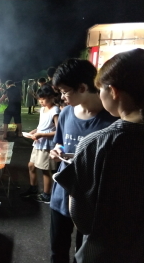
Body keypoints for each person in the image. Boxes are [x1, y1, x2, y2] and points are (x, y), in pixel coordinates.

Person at [54, 49, 144, 263]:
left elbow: (82, 221)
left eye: (100, 88)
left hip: (104, 247)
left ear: (112, 91)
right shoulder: (69, 114)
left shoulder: (98, 142)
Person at [48, 58, 118, 263]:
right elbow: (59, 143)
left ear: (83, 87)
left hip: (91, 199)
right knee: (57, 251)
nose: (62, 97)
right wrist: (56, 151)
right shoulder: (66, 113)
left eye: (64, 91)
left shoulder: (111, 119)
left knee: (85, 253)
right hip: (61, 195)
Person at [20, 85, 60, 203]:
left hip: (47, 144)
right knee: (31, 165)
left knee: (44, 169)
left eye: (43, 98)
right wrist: (34, 131)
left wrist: (41, 135)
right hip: (38, 143)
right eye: (39, 99)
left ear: (52, 97)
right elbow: (42, 125)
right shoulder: (43, 109)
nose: (41, 101)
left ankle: (46, 195)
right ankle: (33, 188)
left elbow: (58, 131)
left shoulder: (55, 110)